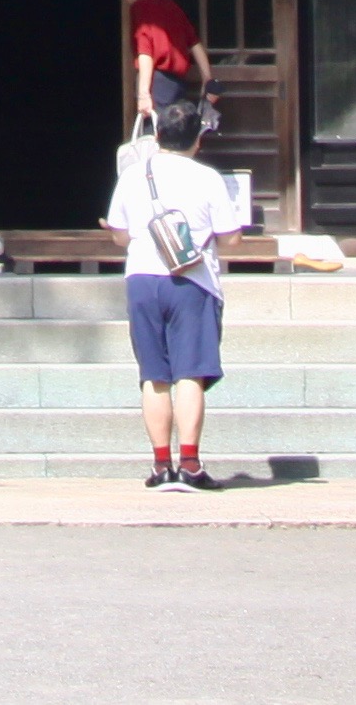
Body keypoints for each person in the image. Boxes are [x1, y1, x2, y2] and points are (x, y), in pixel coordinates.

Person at [106, 98, 253, 491]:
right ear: (198, 139)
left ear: (157, 136)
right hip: (192, 281)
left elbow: (120, 235)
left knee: (154, 376)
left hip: (142, 277)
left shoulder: (133, 176)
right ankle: (189, 464)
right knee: (190, 373)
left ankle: (160, 467)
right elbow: (232, 239)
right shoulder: (208, 178)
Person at [117, 0, 210, 125]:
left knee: (155, 133)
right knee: (175, 132)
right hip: (178, 85)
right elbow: (194, 43)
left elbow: (145, 52)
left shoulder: (140, 8)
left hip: (157, 85)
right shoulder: (170, 5)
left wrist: (144, 94)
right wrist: (207, 79)